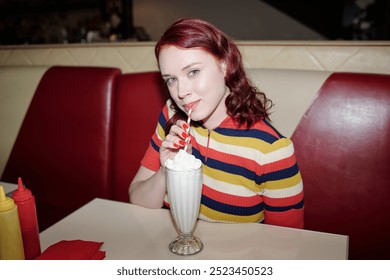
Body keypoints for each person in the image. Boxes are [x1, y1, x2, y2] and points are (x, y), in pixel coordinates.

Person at [129, 18, 304, 229]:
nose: (181, 92)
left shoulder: (271, 150)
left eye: (193, 72)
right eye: (170, 79)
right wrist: (167, 170)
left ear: (224, 64)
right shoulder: (171, 115)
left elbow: (287, 244)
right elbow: (137, 198)